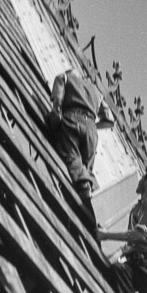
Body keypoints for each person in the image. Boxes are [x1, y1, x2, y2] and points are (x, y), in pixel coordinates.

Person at [46, 68, 112, 229]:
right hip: (91, 130)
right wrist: (91, 125)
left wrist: (56, 113)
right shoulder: (95, 91)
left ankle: (84, 189)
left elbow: (58, 100)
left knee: (72, 158)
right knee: (87, 168)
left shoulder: (65, 77)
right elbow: (110, 120)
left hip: (71, 119)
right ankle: (98, 202)